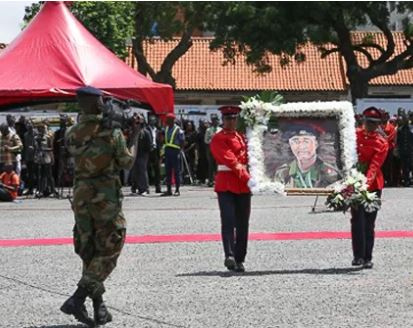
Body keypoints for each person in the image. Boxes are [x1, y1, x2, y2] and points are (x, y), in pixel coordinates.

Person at [61, 86, 136, 326]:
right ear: (96, 103)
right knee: (112, 245)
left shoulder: (72, 132)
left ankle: (99, 307)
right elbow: (125, 162)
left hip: (81, 196)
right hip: (105, 197)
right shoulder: (111, 133)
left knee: (90, 248)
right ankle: (77, 297)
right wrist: (133, 138)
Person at [210, 106, 252, 273]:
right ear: (223, 120)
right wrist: (250, 179)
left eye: (234, 118)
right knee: (228, 221)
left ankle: (240, 258)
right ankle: (230, 255)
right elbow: (230, 160)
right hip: (227, 184)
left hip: (243, 186)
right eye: (228, 118)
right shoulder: (218, 138)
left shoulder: (242, 137)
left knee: (243, 224)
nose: (231, 121)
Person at [351, 107, 389, 269]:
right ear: (363, 121)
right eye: (368, 122)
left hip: (372, 186)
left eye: (374, 123)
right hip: (353, 183)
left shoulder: (381, 143)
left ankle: (367, 257)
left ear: (379, 124)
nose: (370, 126)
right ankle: (358, 256)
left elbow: (375, 165)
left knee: (369, 220)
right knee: (356, 220)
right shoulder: (353, 136)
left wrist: (365, 184)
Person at [274, 124, 339, 188]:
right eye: (296, 141)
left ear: (316, 143)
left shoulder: (330, 175)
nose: (301, 147)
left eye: (306, 141)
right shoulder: (282, 173)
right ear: (290, 144)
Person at [161, 113, 184, 196]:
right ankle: (169, 190)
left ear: (172, 120)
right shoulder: (166, 128)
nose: (166, 121)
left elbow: (182, 141)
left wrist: (179, 151)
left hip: (175, 151)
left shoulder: (178, 129)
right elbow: (163, 139)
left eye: (167, 120)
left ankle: (177, 190)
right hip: (167, 151)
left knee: (177, 171)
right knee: (168, 171)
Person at [34, 122, 58, 198]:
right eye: (41, 129)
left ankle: (53, 190)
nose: (43, 130)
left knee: (49, 175)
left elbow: (51, 148)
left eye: (44, 128)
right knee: (41, 175)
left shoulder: (48, 137)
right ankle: (41, 191)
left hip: (47, 157)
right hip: (39, 158)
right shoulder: (36, 138)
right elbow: (35, 148)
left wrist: (45, 150)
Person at [130, 114, 152, 195]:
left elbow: (149, 144)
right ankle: (137, 187)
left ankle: (145, 188)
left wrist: (146, 152)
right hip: (135, 153)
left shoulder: (145, 132)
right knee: (135, 171)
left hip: (143, 154)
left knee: (142, 171)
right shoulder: (134, 132)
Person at [205, 114, 221, 187]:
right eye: (213, 120)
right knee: (210, 166)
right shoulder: (208, 130)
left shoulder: (220, 130)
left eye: (216, 120)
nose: (215, 121)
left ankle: (218, 180)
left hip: (218, 149)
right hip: (210, 149)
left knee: (218, 166)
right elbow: (206, 140)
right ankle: (210, 181)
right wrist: (212, 140)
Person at [147, 115, 162, 193]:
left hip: (156, 150)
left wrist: (160, 152)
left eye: (154, 120)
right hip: (148, 151)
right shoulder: (146, 129)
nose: (152, 121)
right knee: (147, 169)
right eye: (151, 120)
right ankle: (146, 187)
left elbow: (160, 142)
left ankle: (158, 187)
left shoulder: (157, 131)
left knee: (157, 170)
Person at [22, 121, 36, 195]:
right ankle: (30, 189)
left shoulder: (36, 133)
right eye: (27, 124)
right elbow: (24, 146)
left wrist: (34, 148)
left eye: (30, 124)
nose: (29, 126)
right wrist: (24, 158)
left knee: (36, 174)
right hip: (28, 156)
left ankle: (38, 189)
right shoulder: (25, 134)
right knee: (30, 174)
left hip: (36, 156)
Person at [196, 119, 209, 184]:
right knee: (201, 164)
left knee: (208, 164)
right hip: (201, 151)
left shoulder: (208, 131)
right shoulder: (199, 133)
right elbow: (197, 143)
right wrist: (197, 152)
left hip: (208, 150)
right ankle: (201, 178)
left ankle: (208, 178)